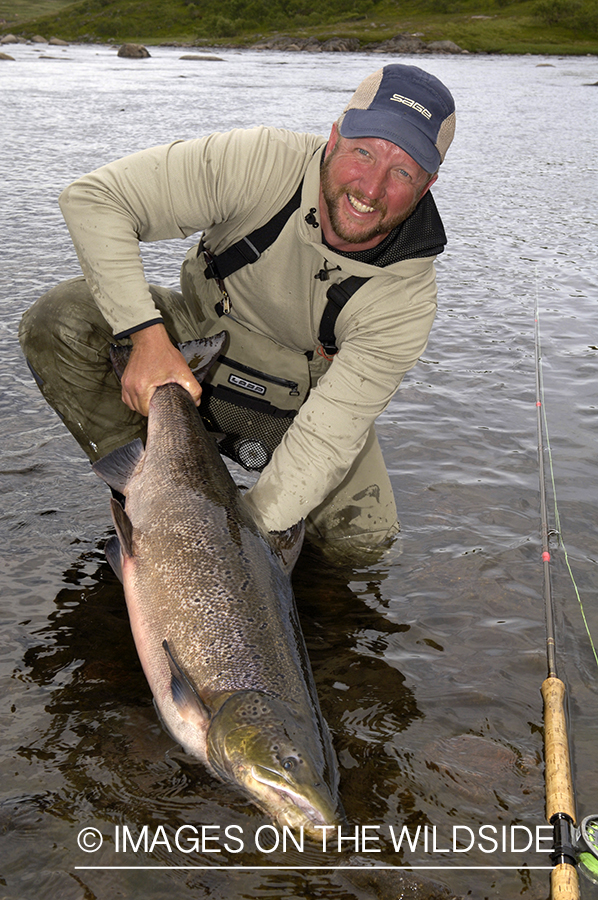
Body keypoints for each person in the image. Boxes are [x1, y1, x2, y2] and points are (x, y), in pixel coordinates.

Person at [19, 64, 455, 562]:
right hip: (187, 350)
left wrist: (237, 548)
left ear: (428, 185)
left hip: (295, 406)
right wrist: (146, 337)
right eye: (364, 152)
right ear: (334, 137)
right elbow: (94, 198)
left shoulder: (407, 300)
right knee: (62, 320)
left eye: (402, 172)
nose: (371, 189)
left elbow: (329, 433)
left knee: (364, 543)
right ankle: (145, 498)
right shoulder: (261, 162)